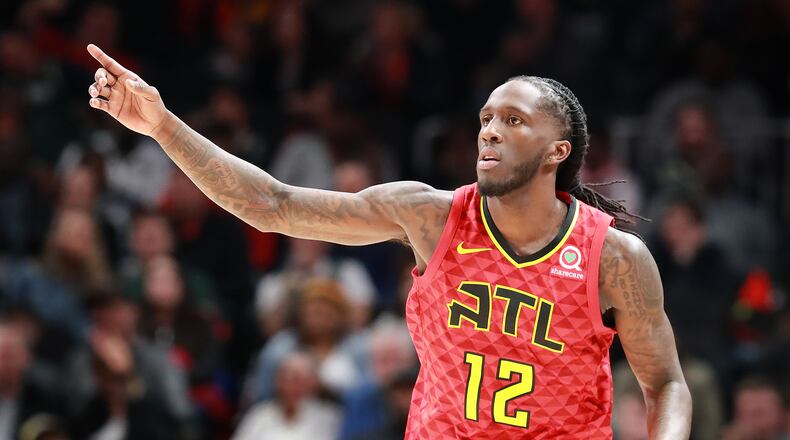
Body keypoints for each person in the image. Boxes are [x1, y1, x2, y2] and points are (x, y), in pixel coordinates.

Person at [85, 44, 692, 439]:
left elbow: (664, 382)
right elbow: (272, 205)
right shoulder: (431, 217)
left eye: (513, 121)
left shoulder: (612, 258)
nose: (489, 132)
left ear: (558, 151)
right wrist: (162, 126)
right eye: (485, 118)